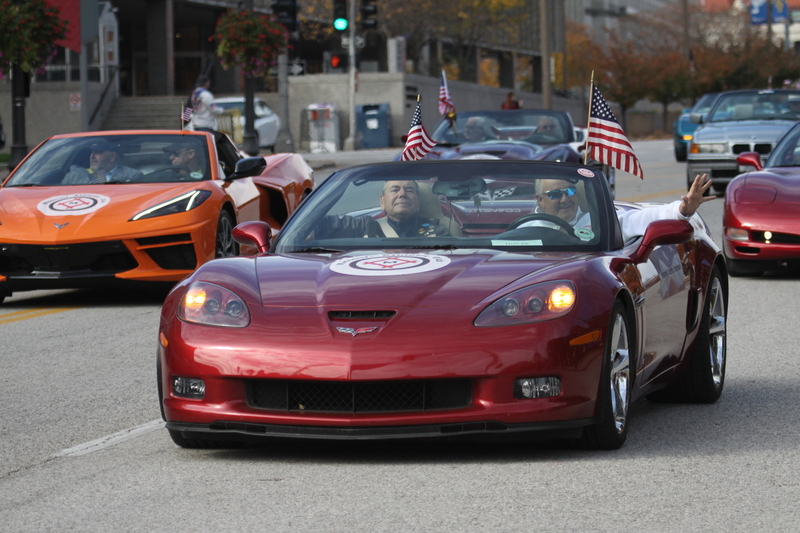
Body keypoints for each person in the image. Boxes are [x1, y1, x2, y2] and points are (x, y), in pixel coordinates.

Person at [521, 173, 714, 242]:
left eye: (570, 191)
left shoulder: (601, 222)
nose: (565, 199)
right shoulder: (525, 231)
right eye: (555, 194)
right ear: (540, 200)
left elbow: (649, 216)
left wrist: (683, 209)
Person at [315, 180, 449, 239]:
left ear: (418, 202)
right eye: (395, 190)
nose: (402, 194)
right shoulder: (363, 226)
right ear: (382, 201)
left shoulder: (437, 232)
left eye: (409, 190)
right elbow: (314, 224)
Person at [63, 140, 143, 184]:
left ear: (112, 157)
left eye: (98, 152)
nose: (92, 156)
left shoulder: (132, 175)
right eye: (91, 152)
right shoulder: (74, 176)